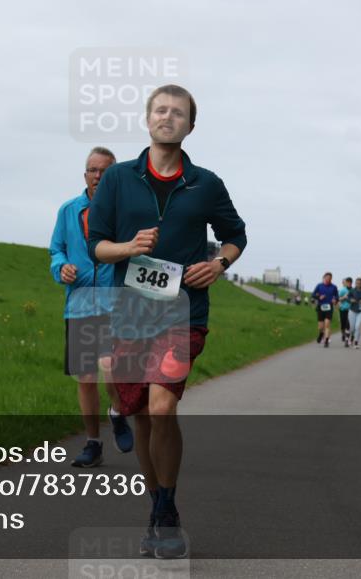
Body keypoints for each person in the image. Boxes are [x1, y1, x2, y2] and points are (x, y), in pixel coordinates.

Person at [87, 84, 247, 560]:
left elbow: (235, 236)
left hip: (183, 312)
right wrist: (128, 248)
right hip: (130, 313)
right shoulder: (117, 179)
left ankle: (168, 508)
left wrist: (219, 264)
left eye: (178, 112)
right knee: (139, 416)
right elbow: (98, 243)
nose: (168, 117)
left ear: (190, 126)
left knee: (162, 408)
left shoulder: (206, 184)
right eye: (161, 110)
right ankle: (157, 508)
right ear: (147, 119)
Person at [50, 147, 133, 468]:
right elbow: (56, 249)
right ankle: (93, 444)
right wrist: (62, 268)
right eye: (92, 170)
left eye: (105, 171)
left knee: (110, 367)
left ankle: (117, 412)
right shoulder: (69, 210)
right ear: (85, 174)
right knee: (85, 378)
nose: (98, 176)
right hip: (79, 304)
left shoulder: (124, 213)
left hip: (115, 304)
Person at [310, 272, 339, 348]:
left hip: (329, 307)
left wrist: (335, 300)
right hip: (320, 307)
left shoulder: (334, 287)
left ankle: (326, 341)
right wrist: (319, 297)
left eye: (330, 278)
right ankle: (321, 334)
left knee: (327, 325)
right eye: (327, 278)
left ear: (331, 279)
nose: (328, 279)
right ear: (324, 278)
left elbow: (337, 296)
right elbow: (313, 295)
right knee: (320, 327)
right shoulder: (319, 286)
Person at [338, 276, 353, 345]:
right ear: (346, 283)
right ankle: (343, 334)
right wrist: (344, 297)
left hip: (351, 310)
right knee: (343, 324)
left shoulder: (353, 290)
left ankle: (347, 338)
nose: (349, 283)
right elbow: (338, 299)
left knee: (348, 324)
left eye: (350, 282)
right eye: (348, 282)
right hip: (343, 309)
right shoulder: (342, 290)